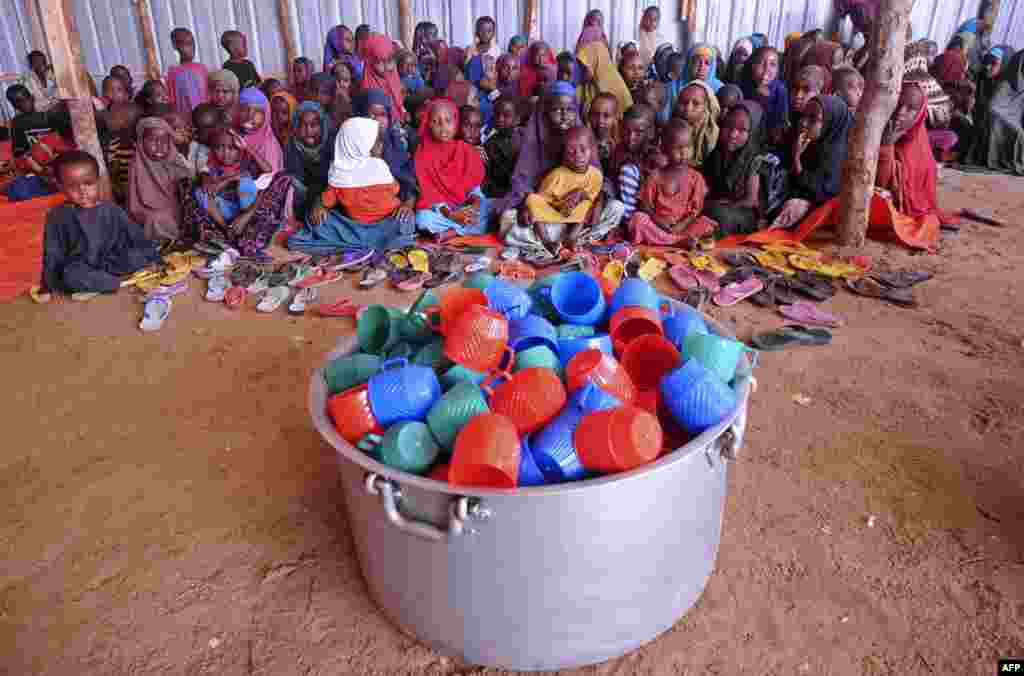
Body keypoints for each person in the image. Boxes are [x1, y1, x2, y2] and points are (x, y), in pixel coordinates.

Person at [42, 151, 160, 295]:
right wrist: (48, 283)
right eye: (73, 187)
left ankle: (99, 281)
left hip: (112, 261)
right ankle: (111, 283)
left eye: (88, 184)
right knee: (69, 275)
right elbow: (53, 252)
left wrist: (153, 256)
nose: (82, 192)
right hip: (81, 266)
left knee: (137, 256)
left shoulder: (112, 210)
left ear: (98, 181)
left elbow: (136, 236)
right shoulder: (57, 216)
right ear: (60, 187)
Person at [289, 117, 414, 253]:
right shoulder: (380, 166)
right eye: (376, 141)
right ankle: (380, 243)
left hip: (352, 229)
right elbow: (395, 189)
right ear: (360, 143)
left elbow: (326, 201)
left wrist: (319, 205)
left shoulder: (339, 173)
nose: (380, 146)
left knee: (316, 218)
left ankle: (352, 244)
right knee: (406, 221)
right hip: (385, 227)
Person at [181, 128, 292, 257]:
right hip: (228, 214)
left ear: (240, 149)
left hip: (250, 213)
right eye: (220, 147)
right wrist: (223, 180)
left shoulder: (247, 163)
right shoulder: (212, 167)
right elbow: (209, 187)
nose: (225, 153)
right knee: (200, 192)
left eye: (232, 148)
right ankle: (227, 230)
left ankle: (245, 230)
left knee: (245, 182)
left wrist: (247, 148)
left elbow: (269, 172)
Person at [518, 126, 606, 253]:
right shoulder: (557, 175)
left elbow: (593, 199)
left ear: (592, 150)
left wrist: (581, 196)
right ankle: (547, 242)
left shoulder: (596, 175)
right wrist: (559, 206)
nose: (578, 156)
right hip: (554, 216)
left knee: (589, 203)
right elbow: (541, 200)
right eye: (571, 151)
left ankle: (572, 238)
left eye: (583, 149)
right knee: (531, 200)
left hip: (576, 219)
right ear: (563, 153)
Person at [770, 95, 852, 230]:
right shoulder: (808, 142)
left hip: (822, 208)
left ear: (830, 121)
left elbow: (820, 193)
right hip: (801, 196)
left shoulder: (836, 153)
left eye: (812, 118)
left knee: (794, 206)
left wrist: (796, 158)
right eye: (804, 116)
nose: (803, 122)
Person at [414, 99, 489, 238]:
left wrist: (474, 206)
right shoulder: (423, 153)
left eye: (448, 121)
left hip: (465, 207)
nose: (443, 127)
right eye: (436, 122)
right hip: (443, 212)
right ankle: (461, 230)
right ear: (429, 124)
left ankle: (452, 233)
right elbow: (429, 194)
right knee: (421, 218)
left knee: (485, 209)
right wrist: (452, 215)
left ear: (455, 123)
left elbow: (475, 189)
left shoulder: (466, 150)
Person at [629, 119, 710, 246]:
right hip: (658, 226)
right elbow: (645, 206)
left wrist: (681, 225)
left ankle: (668, 240)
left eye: (688, 147)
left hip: (683, 227)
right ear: (664, 149)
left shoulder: (696, 178)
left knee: (705, 224)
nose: (684, 153)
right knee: (638, 220)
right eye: (678, 148)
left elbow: (695, 211)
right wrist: (659, 221)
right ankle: (675, 242)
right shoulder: (655, 176)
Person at [704, 100, 768, 237]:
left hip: (743, 211)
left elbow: (750, 201)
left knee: (719, 215)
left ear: (752, 132)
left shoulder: (755, 159)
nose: (733, 134)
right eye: (728, 126)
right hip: (719, 204)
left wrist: (727, 204)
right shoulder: (717, 152)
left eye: (742, 130)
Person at [128, 116, 195, 242]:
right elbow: (135, 207)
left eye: (164, 140)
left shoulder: (175, 159)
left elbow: (189, 184)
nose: (159, 145)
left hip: (177, 209)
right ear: (141, 142)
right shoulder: (137, 164)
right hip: (149, 213)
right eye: (152, 140)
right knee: (157, 219)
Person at [354, 89, 417, 203]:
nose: (378, 120)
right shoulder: (350, 142)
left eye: (382, 114)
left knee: (406, 220)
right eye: (371, 115)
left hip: (387, 207)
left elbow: (407, 181)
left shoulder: (395, 144)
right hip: (357, 205)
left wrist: (408, 203)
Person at [972, 49, 1024, 175]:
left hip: (1007, 123)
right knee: (1019, 134)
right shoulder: (1005, 83)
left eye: (993, 63)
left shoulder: (1020, 86)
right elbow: (994, 108)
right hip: (995, 124)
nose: (988, 67)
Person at [611, 103, 659, 223]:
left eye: (639, 132)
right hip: (628, 210)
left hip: (651, 211)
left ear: (651, 132)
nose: (631, 137)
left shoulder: (655, 156)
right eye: (627, 131)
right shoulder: (619, 151)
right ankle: (629, 221)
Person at [576, 28, 633, 116]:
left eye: (584, 65)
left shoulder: (620, 91)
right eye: (580, 65)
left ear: (596, 63)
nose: (580, 70)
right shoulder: (581, 88)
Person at [740, 46, 789, 145]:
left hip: (767, 140)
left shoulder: (780, 90)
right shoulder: (745, 85)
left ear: (778, 69)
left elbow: (781, 120)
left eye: (772, 64)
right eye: (761, 63)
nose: (767, 69)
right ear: (752, 65)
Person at [360, 33, 408, 124]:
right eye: (379, 62)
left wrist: (403, 111)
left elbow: (398, 100)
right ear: (370, 61)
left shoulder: (393, 75)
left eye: (389, 60)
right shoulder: (369, 89)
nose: (386, 67)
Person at [482, 97, 523, 199]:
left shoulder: (525, 137)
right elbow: (488, 178)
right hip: (501, 193)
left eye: (506, 115)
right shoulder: (489, 144)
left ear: (517, 119)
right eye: (497, 115)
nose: (500, 119)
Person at [236, 88, 284, 174]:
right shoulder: (232, 134)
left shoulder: (269, 145)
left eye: (257, 111)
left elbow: (272, 176)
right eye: (244, 109)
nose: (250, 116)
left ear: (266, 115)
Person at [673, 81, 720, 168]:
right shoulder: (670, 129)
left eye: (696, 104)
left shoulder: (715, 138)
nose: (688, 108)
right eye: (683, 102)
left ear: (706, 107)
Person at [106, 103, 143, 205]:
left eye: (113, 116)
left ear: (125, 123)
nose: (108, 118)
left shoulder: (138, 150)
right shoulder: (113, 145)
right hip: (120, 197)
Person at [166, 28, 208, 115]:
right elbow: (172, 100)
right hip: (185, 119)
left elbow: (208, 94)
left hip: (204, 116)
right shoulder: (173, 72)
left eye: (192, 43)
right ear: (175, 46)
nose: (191, 48)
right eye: (185, 44)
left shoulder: (202, 68)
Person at [188, 102, 229, 175]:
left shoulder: (228, 141)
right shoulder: (196, 147)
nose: (204, 133)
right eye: (199, 129)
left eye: (209, 128)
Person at [588, 92, 620, 177]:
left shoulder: (620, 145)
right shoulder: (583, 144)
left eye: (606, 116)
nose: (600, 121)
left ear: (615, 117)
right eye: (595, 114)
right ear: (589, 116)